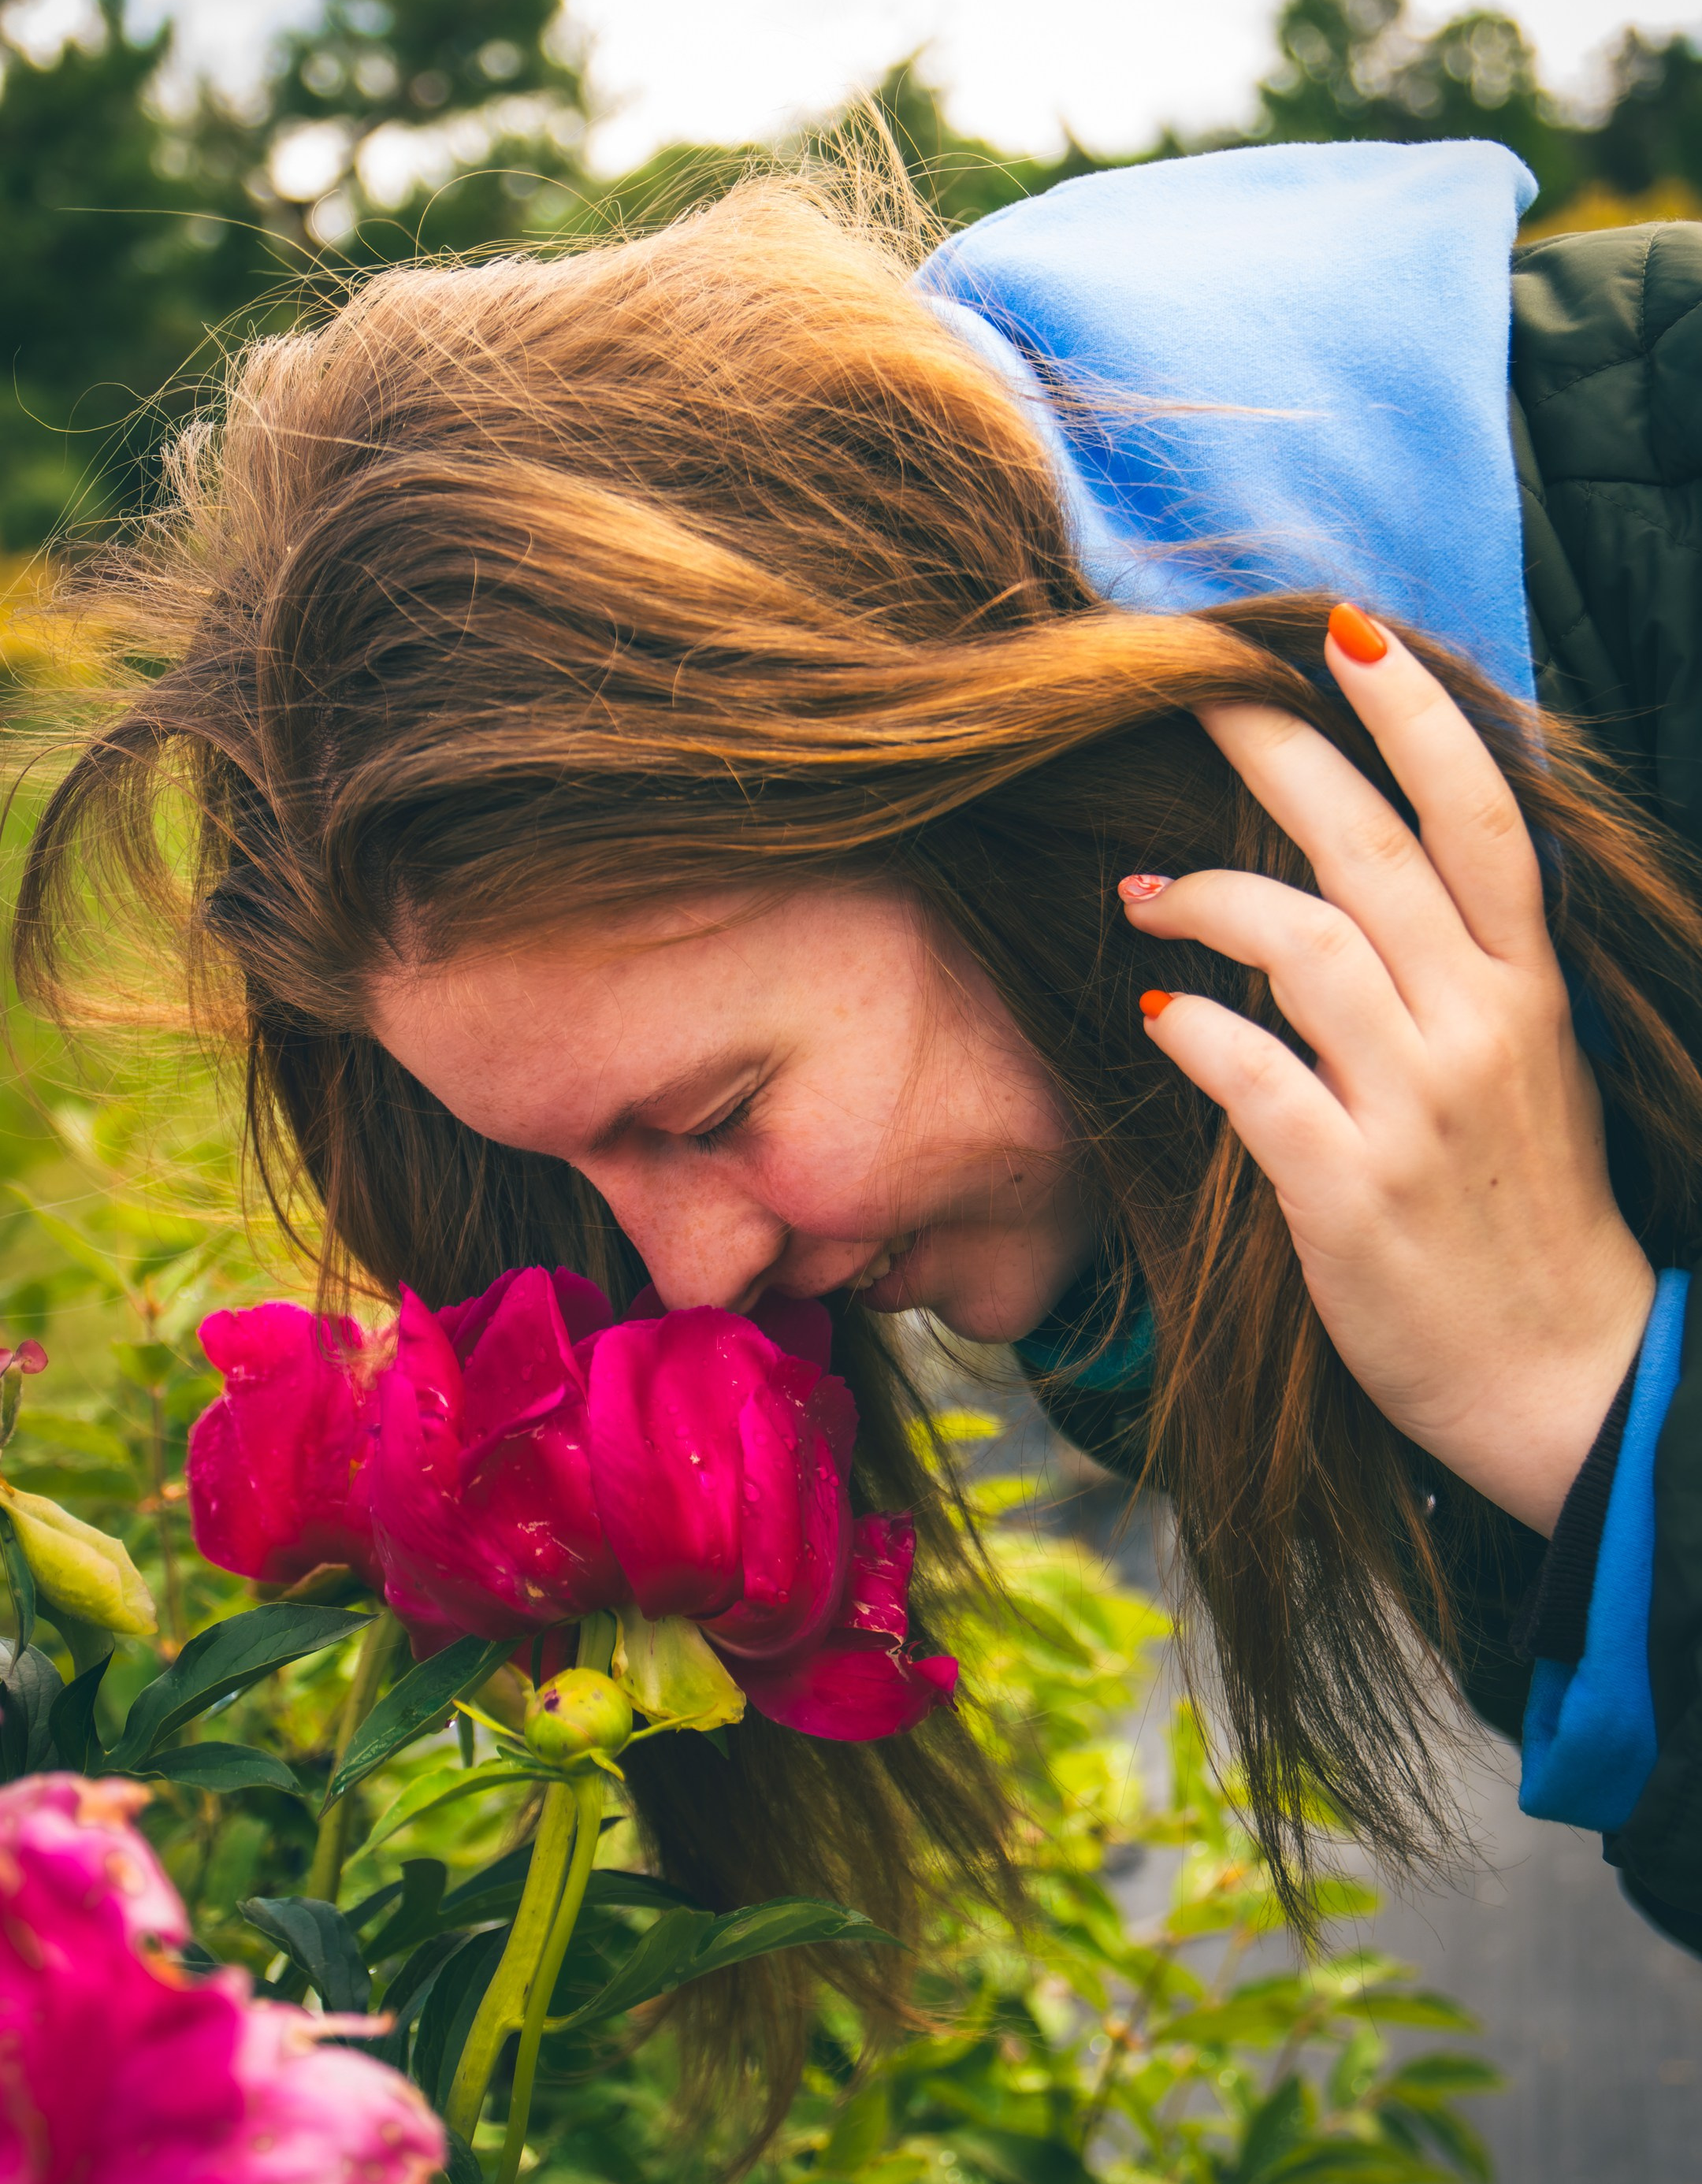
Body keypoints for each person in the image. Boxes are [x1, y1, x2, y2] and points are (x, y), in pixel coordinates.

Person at [14, 134, 1702, 1984]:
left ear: (986, 780)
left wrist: (1580, 1397)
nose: (692, 1273)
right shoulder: (1221, 1134)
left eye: (711, 1116)